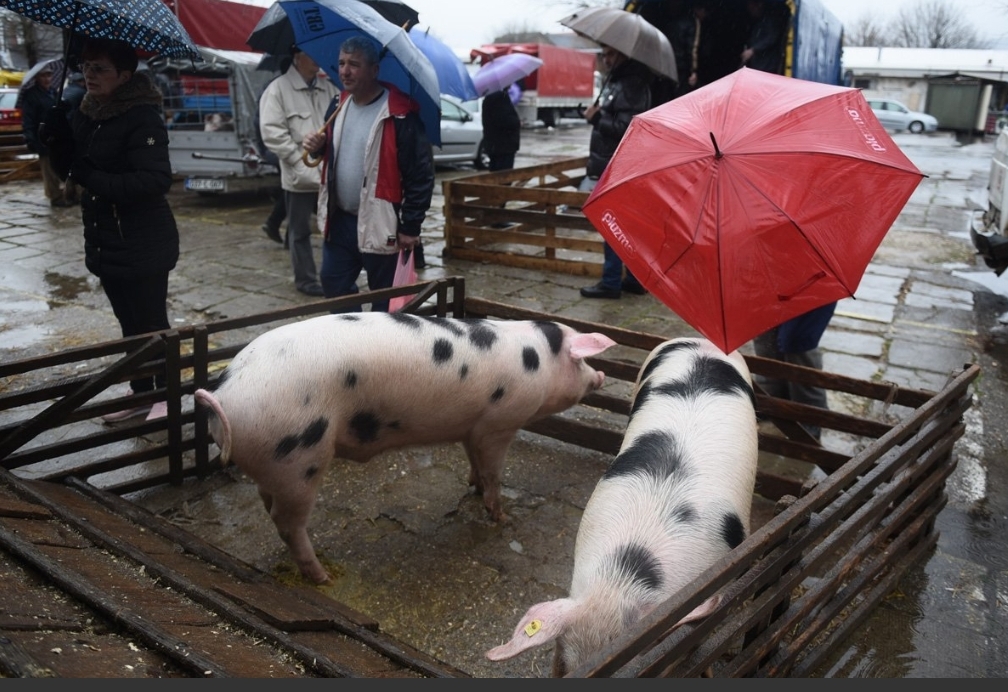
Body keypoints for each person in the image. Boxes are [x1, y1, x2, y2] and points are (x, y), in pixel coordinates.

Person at [45, 38, 179, 422]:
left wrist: (91, 176)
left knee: (151, 324)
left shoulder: (143, 117)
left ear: (124, 75)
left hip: (144, 240)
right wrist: (55, 141)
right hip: (106, 238)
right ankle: (140, 394)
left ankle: (166, 398)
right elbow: (71, 168)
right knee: (128, 324)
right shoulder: (86, 111)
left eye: (99, 68)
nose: (89, 74)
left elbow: (154, 181)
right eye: (85, 66)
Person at [302, 36, 434, 313]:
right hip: (340, 221)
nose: (345, 71)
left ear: (374, 70)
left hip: (381, 222)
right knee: (335, 286)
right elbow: (332, 154)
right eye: (341, 63)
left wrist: (411, 227)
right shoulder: (338, 104)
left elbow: (420, 175)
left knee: (384, 299)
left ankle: (379, 350)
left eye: (354, 64)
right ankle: (351, 342)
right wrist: (319, 147)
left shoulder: (400, 114)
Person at [259, 45, 338, 297]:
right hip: (300, 177)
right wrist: (296, 160)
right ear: (296, 57)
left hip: (327, 174)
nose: (317, 59)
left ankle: (334, 274)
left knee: (334, 228)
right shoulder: (278, 89)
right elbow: (272, 133)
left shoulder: (329, 88)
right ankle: (305, 280)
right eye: (311, 54)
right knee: (300, 231)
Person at [579, 45, 652, 300]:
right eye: (605, 54)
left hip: (618, 164)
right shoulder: (619, 81)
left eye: (611, 54)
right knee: (623, 224)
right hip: (613, 162)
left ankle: (611, 282)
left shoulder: (631, 84)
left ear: (624, 54)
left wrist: (596, 119)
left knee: (611, 223)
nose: (606, 59)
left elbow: (627, 127)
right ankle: (632, 279)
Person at [751, 302, 837, 441]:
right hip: (767, 286)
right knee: (765, 332)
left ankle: (810, 417)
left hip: (809, 289)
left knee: (797, 342)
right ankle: (770, 403)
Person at [21, 63, 73, 208]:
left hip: (55, 136)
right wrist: (30, 137)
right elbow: (29, 119)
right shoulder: (31, 95)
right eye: (43, 75)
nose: (47, 78)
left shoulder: (53, 93)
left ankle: (67, 193)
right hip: (41, 136)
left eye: (49, 75)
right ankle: (55, 196)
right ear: (37, 78)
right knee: (48, 169)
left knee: (60, 165)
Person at [254, 75, 286, 246]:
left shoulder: (270, 87)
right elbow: (265, 125)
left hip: (273, 149)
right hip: (279, 150)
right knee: (295, 191)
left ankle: (278, 226)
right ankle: (274, 223)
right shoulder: (275, 90)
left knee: (295, 192)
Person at [59, 70, 86, 207]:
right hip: (77, 132)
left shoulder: (66, 91)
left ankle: (68, 193)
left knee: (70, 166)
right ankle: (78, 195)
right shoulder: (82, 94)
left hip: (66, 132)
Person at [481, 86, 521, 172]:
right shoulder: (500, 98)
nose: (510, 86)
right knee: (503, 177)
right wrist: (517, 121)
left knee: (495, 175)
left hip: (493, 146)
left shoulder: (488, 98)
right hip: (504, 146)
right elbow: (506, 121)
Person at [740, 0, 784, 74]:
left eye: (752, 7)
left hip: (768, 66)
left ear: (759, 5)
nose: (750, 10)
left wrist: (753, 50)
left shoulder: (770, 21)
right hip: (759, 66)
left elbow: (771, 38)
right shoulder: (758, 23)